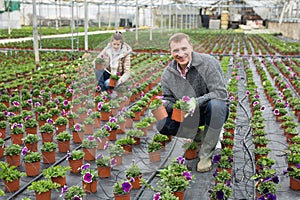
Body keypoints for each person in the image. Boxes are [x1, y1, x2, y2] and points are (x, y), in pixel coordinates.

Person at [156, 33, 230, 172]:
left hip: (209, 110)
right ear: (170, 52)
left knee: (216, 105)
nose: (181, 54)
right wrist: (167, 104)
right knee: (161, 121)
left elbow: (221, 93)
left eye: (184, 48)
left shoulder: (208, 63)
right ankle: (199, 137)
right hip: (187, 115)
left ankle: (206, 155)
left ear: (191, 47)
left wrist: (195, 102)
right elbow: (169, 99)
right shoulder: (168, 74)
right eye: (176, 50)